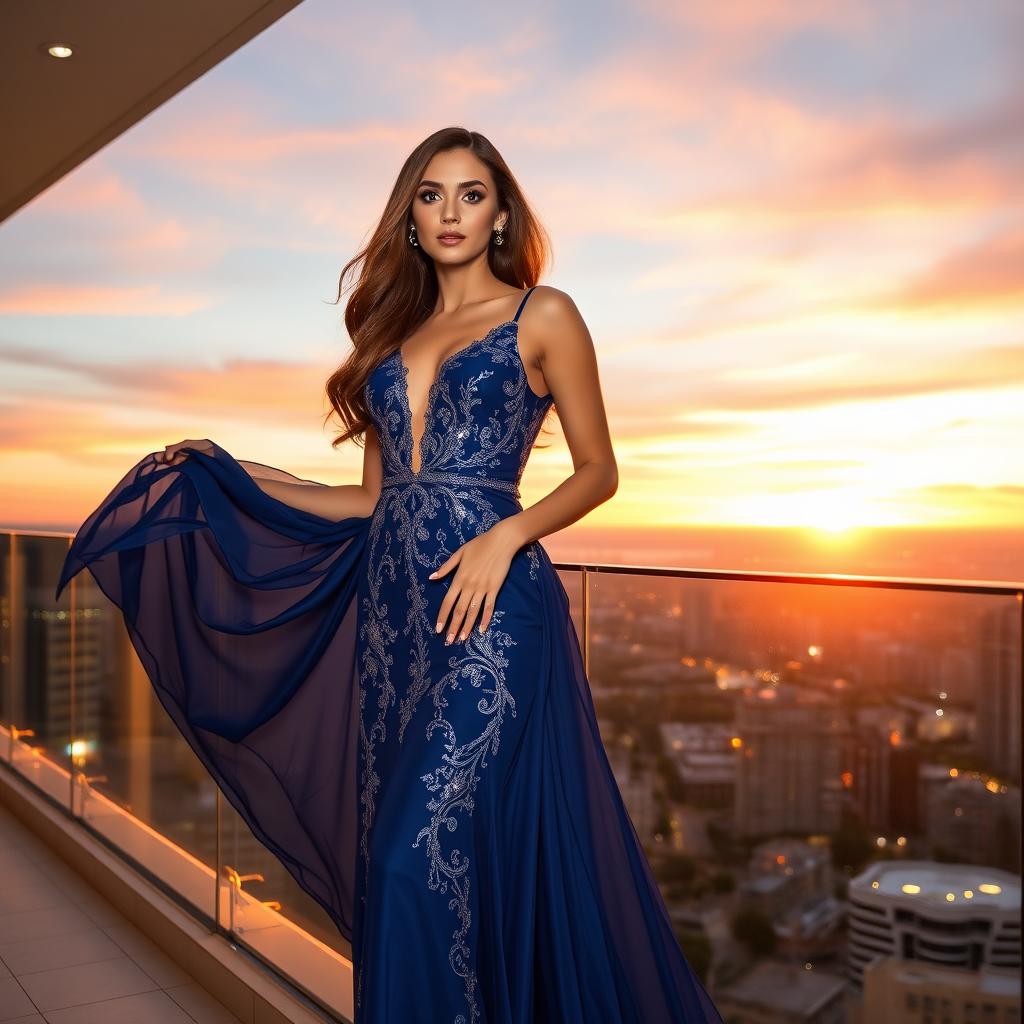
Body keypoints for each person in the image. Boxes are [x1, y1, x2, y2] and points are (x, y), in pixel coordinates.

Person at [56, 126, 723, 1023]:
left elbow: (600, 470)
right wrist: (230, 472)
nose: (450, 212)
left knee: (412, 857)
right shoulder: (392, 334)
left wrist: (506, 536)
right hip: (392, 627)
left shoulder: (544, 314)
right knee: (414, 870)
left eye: (472, 194)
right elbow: (374, 498)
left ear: (500, 216)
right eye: (431, 194)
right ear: (409, 216)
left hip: (492, 616)